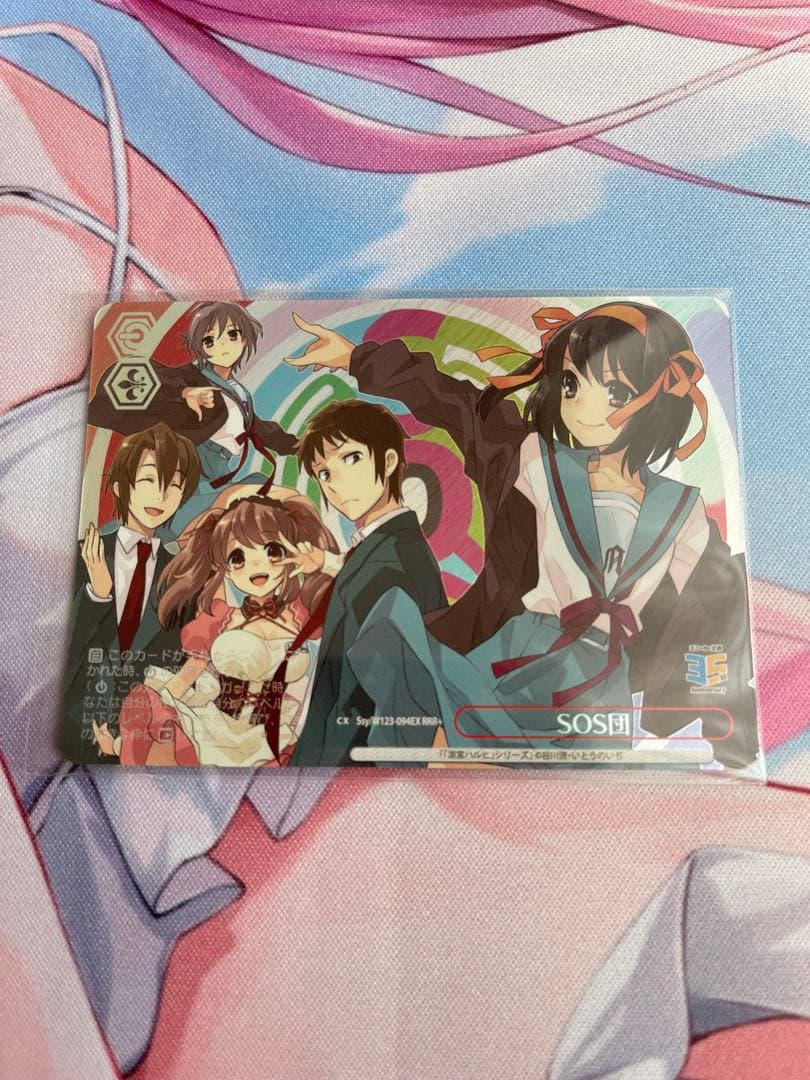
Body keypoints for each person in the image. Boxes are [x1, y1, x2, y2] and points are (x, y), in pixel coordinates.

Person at [282, 305, 760, 769]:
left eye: (614, 389)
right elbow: (460, 406)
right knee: (436, 720)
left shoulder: (680, 508)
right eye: (571, 383)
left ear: (659, 397)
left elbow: (716, 608)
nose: (581, 405)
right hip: (520, 655)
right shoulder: (539, 463)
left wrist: (727, 717)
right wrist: (358, 359)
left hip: (600, 687)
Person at [96, 489, 338, 766]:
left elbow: (356, 590)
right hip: (216, 730)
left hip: (278, 733)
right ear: (225, 567)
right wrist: (122, 741)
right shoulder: (218, 620)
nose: (255, 564)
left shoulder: (303, 612)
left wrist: (323, 562)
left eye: (272, 551)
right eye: (237, 558)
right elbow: (185, 678)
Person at [281, 399, 447, 766]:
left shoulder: (390, 563)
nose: (336, 484)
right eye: (324, 473)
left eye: (351, 458)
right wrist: (327, 562)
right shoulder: (393, 545)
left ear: (388, 462)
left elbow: (364, 692)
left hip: (348, 759)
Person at [87, 301, 298, 536]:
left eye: (232, 335)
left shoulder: (239, 393)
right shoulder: (191, 376)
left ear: (245, 338)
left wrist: (296, 446)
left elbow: (259, 428)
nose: (222, 346)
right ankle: (119, 538)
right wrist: (183, 392)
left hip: (220, 470)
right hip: (193, 466)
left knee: (254, 502)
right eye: (210, 340)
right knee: (195, 522)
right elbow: (132, 379)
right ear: (200, 345)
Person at [61, 422, 201, 764]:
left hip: (145, 741)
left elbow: (184, 661)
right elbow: (55, 653)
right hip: (72, 732)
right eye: (150, 479)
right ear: (121, 486)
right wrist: (97, 596)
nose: (161, 495)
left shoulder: (182, 577)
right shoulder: (82, 554)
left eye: (174, 485)